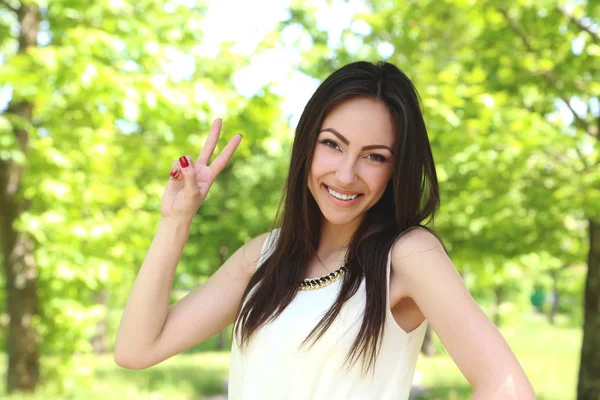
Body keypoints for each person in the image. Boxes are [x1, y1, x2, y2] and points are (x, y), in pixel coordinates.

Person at [114, 61, 535, 399]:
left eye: (374, 156)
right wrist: (176, 220)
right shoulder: (265, 255)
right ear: (306, 144)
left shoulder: (407, 255)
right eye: (332, 144)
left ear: (396, 169)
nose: (346, 174)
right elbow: (136, 349)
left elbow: (508, 389)